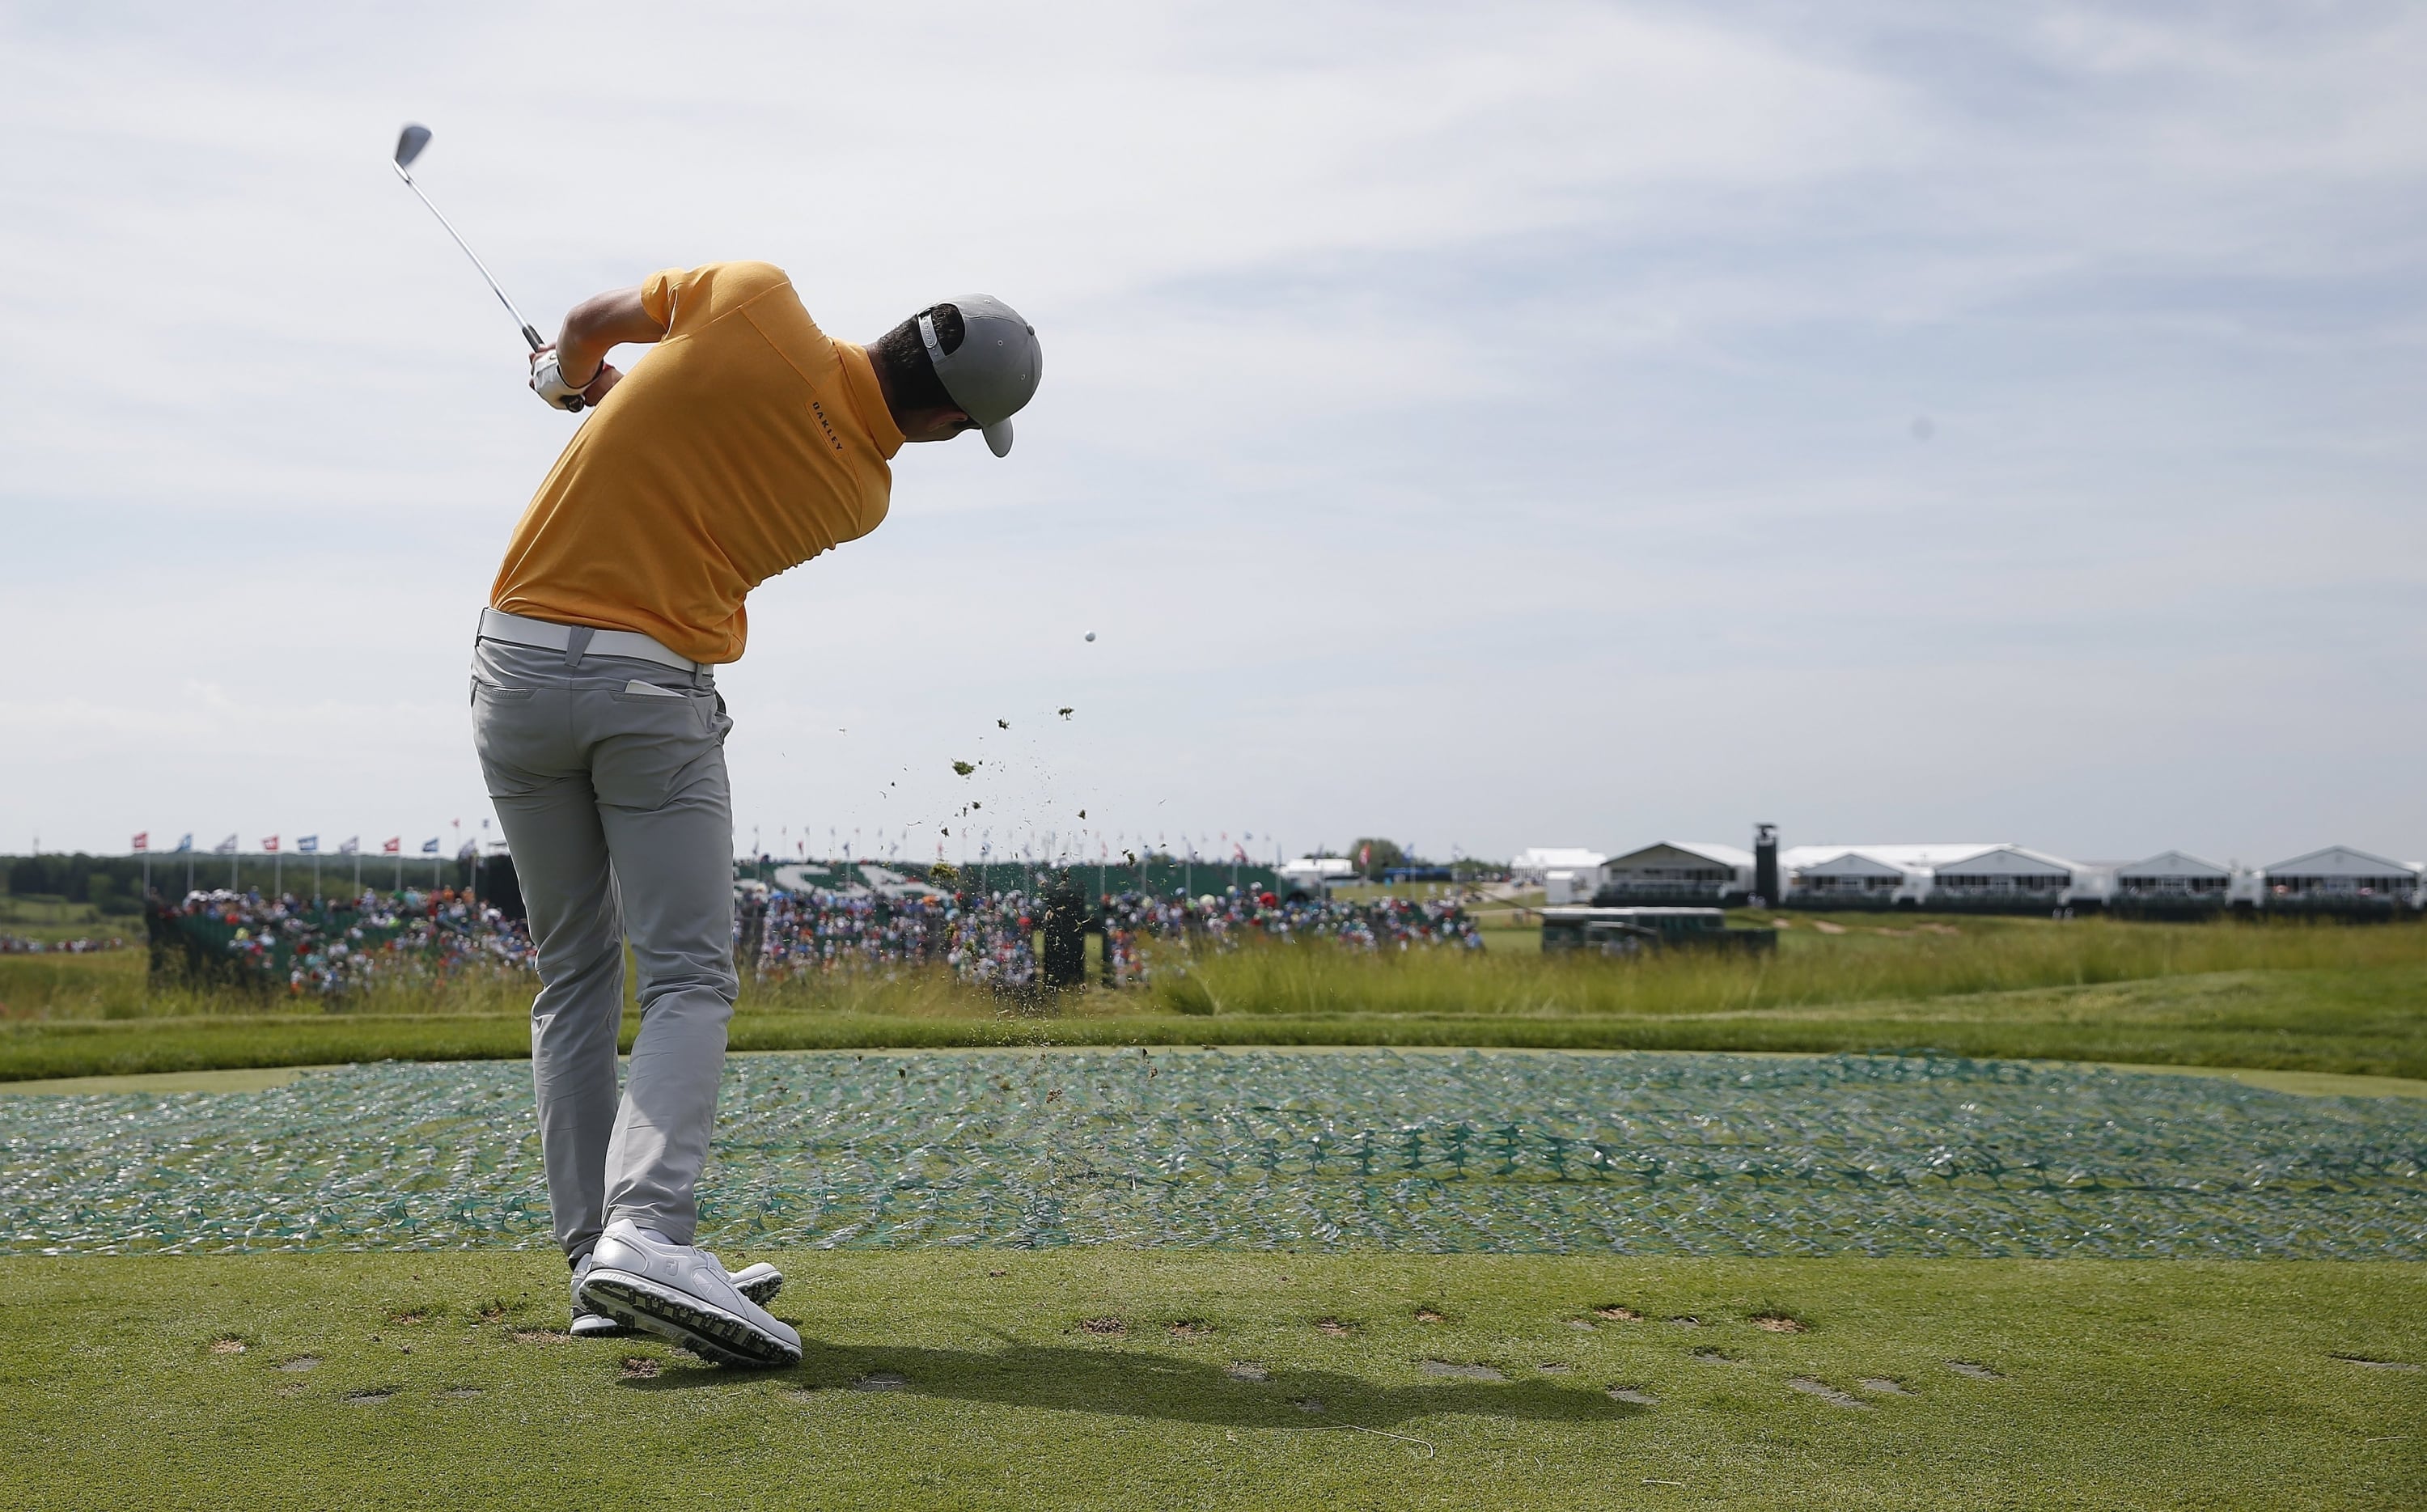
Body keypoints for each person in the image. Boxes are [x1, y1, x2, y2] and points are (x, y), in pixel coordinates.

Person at [469, 263, 1041, 1366]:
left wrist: (566, 380)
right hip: (650, 694)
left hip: (515, 669)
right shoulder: (861, 495)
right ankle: (646, 1231)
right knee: (686, 975)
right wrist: (612, 398)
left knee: (574, 972)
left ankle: (595, 1259)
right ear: (945, 423)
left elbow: (588, 331)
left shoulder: (751, 297)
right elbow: (721, 460)